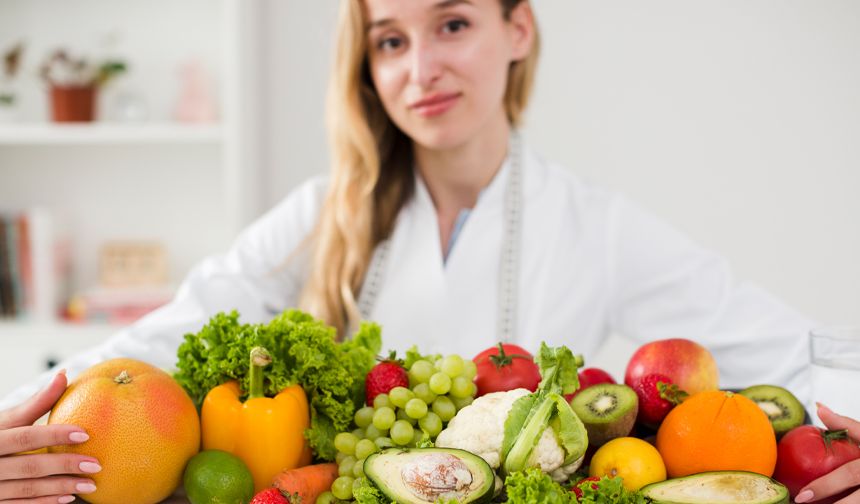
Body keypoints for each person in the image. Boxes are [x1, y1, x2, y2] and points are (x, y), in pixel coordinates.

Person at [1, 0, 858, 502]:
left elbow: (791, 347)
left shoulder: (594, 224)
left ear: (518, 29)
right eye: (391, 41)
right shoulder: (325, 212)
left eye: (451, 23)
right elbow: (166, 333)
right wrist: (25, 424)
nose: (420, 71)